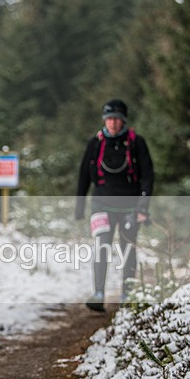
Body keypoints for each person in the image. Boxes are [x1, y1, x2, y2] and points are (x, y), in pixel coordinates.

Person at [75, 99, 154, 312]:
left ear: (123, 121)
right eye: (109, 119)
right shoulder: (95, 143)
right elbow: (83, 175)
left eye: (117, 119)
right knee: (102, 247)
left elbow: (147, 175)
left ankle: (127, 294)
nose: (113, 123)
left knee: (128, 248)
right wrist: (79, 206)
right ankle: (98, 294)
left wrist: (143, 206)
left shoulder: (137, 143)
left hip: (130, 205)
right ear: (104, 120)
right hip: (101, 204)